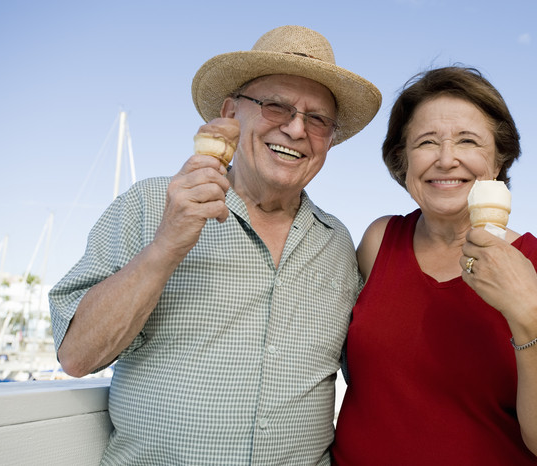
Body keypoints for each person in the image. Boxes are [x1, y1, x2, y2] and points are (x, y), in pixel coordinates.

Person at [49, 25, 381, 465]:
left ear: (329, 138)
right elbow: (76, 356)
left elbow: (377, 372)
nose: (297, 129)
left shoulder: (337, 243)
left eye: (317, 118)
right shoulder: (151, 204)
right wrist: (165, 246)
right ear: (229, 114)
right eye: (275, 106)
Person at [331, 66, 537, 465]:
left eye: (468, 141)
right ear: (402, 160)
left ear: (498, 160)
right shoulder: (378, 241)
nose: (446, 159)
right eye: (426, 142)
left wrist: (530, 311)